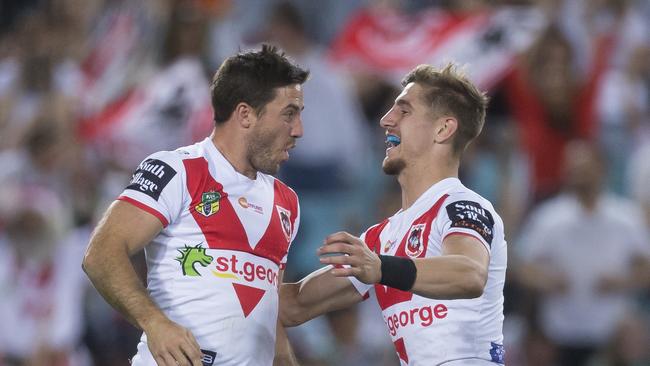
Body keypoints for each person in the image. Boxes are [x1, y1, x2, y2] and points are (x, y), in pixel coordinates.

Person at [82, 45, 308, 366]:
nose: (298, 130)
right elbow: (101, 254)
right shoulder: (178, 170)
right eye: (289, 113)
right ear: (245, 114)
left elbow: (265, 308)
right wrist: (154, 323)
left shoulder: (287, 202)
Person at [280, 63, 507, 365]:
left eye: (404, 111)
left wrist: (381, 267)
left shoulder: (462, 206)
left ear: (443, 129)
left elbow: (469, 273)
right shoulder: (380, 239)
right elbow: (295, 305)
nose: (386, 120)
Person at [516, 140, 650, 366]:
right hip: (559, 331)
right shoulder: (549, 217)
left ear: (601, 168)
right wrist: (546, 280)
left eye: (584, 167)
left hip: (611, 331)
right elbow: (522, 267)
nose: (578, 174)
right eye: (573, 168)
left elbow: (646, 268)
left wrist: (623, 281)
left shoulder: (626, 217)